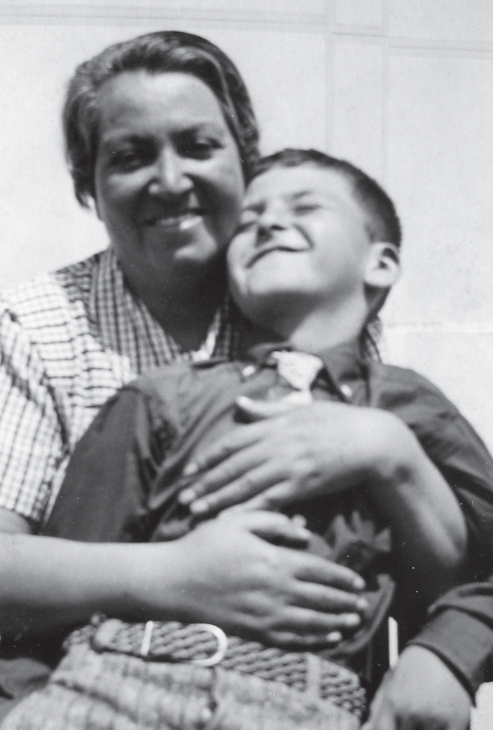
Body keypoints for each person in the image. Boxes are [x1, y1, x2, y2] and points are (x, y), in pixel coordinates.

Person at [5, 148, 493, 730]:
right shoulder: (159, 398)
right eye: (250, 219)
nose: (268, 223)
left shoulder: (413, 410)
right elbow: (50, 599)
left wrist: (447, 655)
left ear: (381, 264)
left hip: (312, 706)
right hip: (115, 684)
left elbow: (481, 570)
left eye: (304, 207)